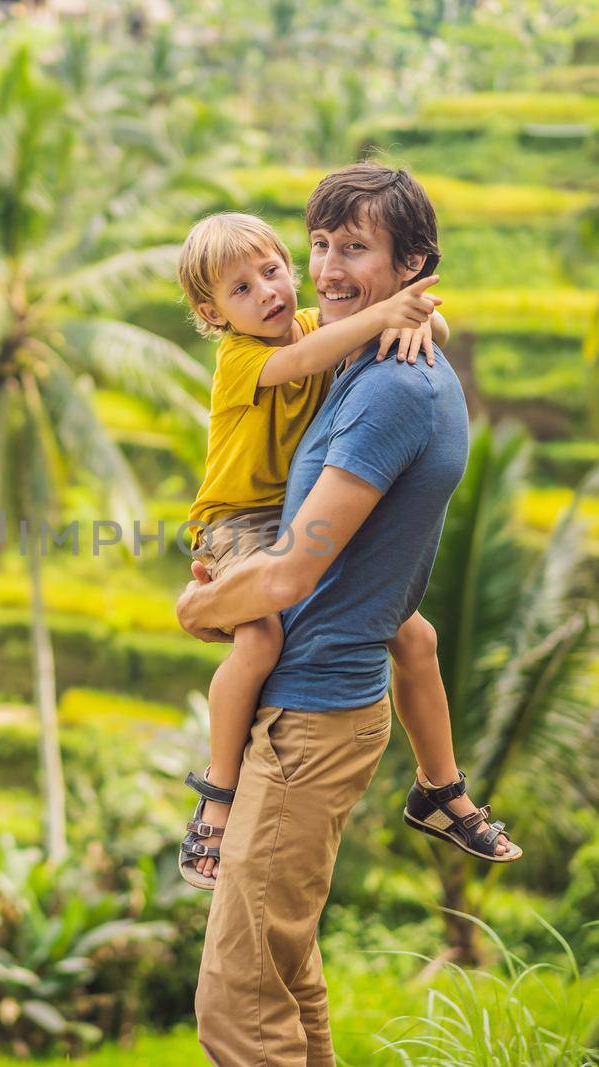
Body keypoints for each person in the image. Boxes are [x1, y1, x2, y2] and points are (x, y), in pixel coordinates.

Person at [174, 162, 513, 1065]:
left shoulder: (393, 384)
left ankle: (216, 801)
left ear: (413, 265)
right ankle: (438, 788)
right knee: (283, 973)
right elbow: (327, 342)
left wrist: (198, 606)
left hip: (312, 717)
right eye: (319, 243)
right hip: (304, 678)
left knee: (238, 1008)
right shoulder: (364, 353)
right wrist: (410, 315)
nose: (317, 271)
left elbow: (286, 577)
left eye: (349, 248)